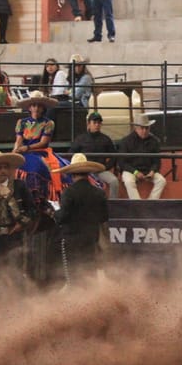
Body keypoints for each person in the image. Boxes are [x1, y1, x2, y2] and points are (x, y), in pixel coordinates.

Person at [51, 153, 109, 287]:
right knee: (89, 273)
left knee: (73, 275)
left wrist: (54, 213)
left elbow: (63, 217)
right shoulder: (98, 193)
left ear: (72, 174)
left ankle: (77, 303)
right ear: (88, 173)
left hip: (72, 240)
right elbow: (104, 217)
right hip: (91, 239)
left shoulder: (69, 192)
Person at [0, 151, 35, 299]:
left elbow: (32, 210)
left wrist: (21, 225)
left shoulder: (20, 186)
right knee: (0, 268)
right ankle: (4, 300)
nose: (3, 170)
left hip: (16, 234)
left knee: (17, 267)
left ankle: (19, 301)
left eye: (6, 167)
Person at [12, 91, 63, 202]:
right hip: (23, 151)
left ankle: (40, 195)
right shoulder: (22, 122)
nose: (36, 108)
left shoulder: (48, 123)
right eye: (34, 105)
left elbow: (43, 142)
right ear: (29, 107)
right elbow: (19, 140)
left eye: (39, 106)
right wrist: (15, 150)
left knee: (37, 166)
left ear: (43, 108)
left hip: (40, 151)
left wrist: (28, 148)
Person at [70, 112, 119, 198]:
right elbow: (71, 154)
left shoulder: (106, 139)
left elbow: (114, 156)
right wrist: (79, 168)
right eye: (94, 122)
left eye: (99, 123)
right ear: (88, 124)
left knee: (114, 181)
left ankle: (112, 206)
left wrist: (106, 167)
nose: (97, 125)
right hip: (85, 171)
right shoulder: (80, 139)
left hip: (101, 170)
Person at [119, 114, 166, 200]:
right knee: (129, 181)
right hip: (131, 171)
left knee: (161, 181)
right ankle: (138, 205)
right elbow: (122, 163)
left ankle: (150, 202)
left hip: (148, 171)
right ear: (136, 128)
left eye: (146, 128)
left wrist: (152, 171)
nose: (144, 131)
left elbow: (157, 161)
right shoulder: (126, 141)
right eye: (142, 128)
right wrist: (135, 172)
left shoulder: (154, 141)